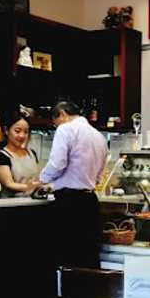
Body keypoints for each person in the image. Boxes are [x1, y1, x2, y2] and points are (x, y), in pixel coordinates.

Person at [40, 101, 108, 269]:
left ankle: (69, 295)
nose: (56, 127)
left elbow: (58, 163)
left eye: (55, 122)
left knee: (68, 257)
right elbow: (100, 174)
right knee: (89, 255)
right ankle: (90, 294)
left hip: (69, 203)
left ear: (62, 114)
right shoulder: (98, 135)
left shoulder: (65, 129)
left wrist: (42, 180)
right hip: (90, 201)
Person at [0, 113, 41, 197]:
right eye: (17, 131)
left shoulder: (32, 153)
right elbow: (9, 184)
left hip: (32, 202)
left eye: (26, 132)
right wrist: (31, 187)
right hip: (11, 204)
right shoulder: (1, 156)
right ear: (6, 131)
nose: (22, 135)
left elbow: (36, 178)